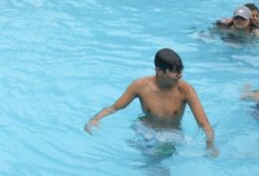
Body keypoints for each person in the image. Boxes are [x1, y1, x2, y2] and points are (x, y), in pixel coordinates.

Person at [84, 48, 216, 153]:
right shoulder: (141, 86)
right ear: (159, 70)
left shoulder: (185, 90)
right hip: (145, 130)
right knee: (152, 161)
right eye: (175, 72)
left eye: (181, 70)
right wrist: (95, 119)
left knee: (159, 161)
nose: (180, 75)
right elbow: (114, 108)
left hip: (172, 134)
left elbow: (204, 124)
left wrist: (210, 146)